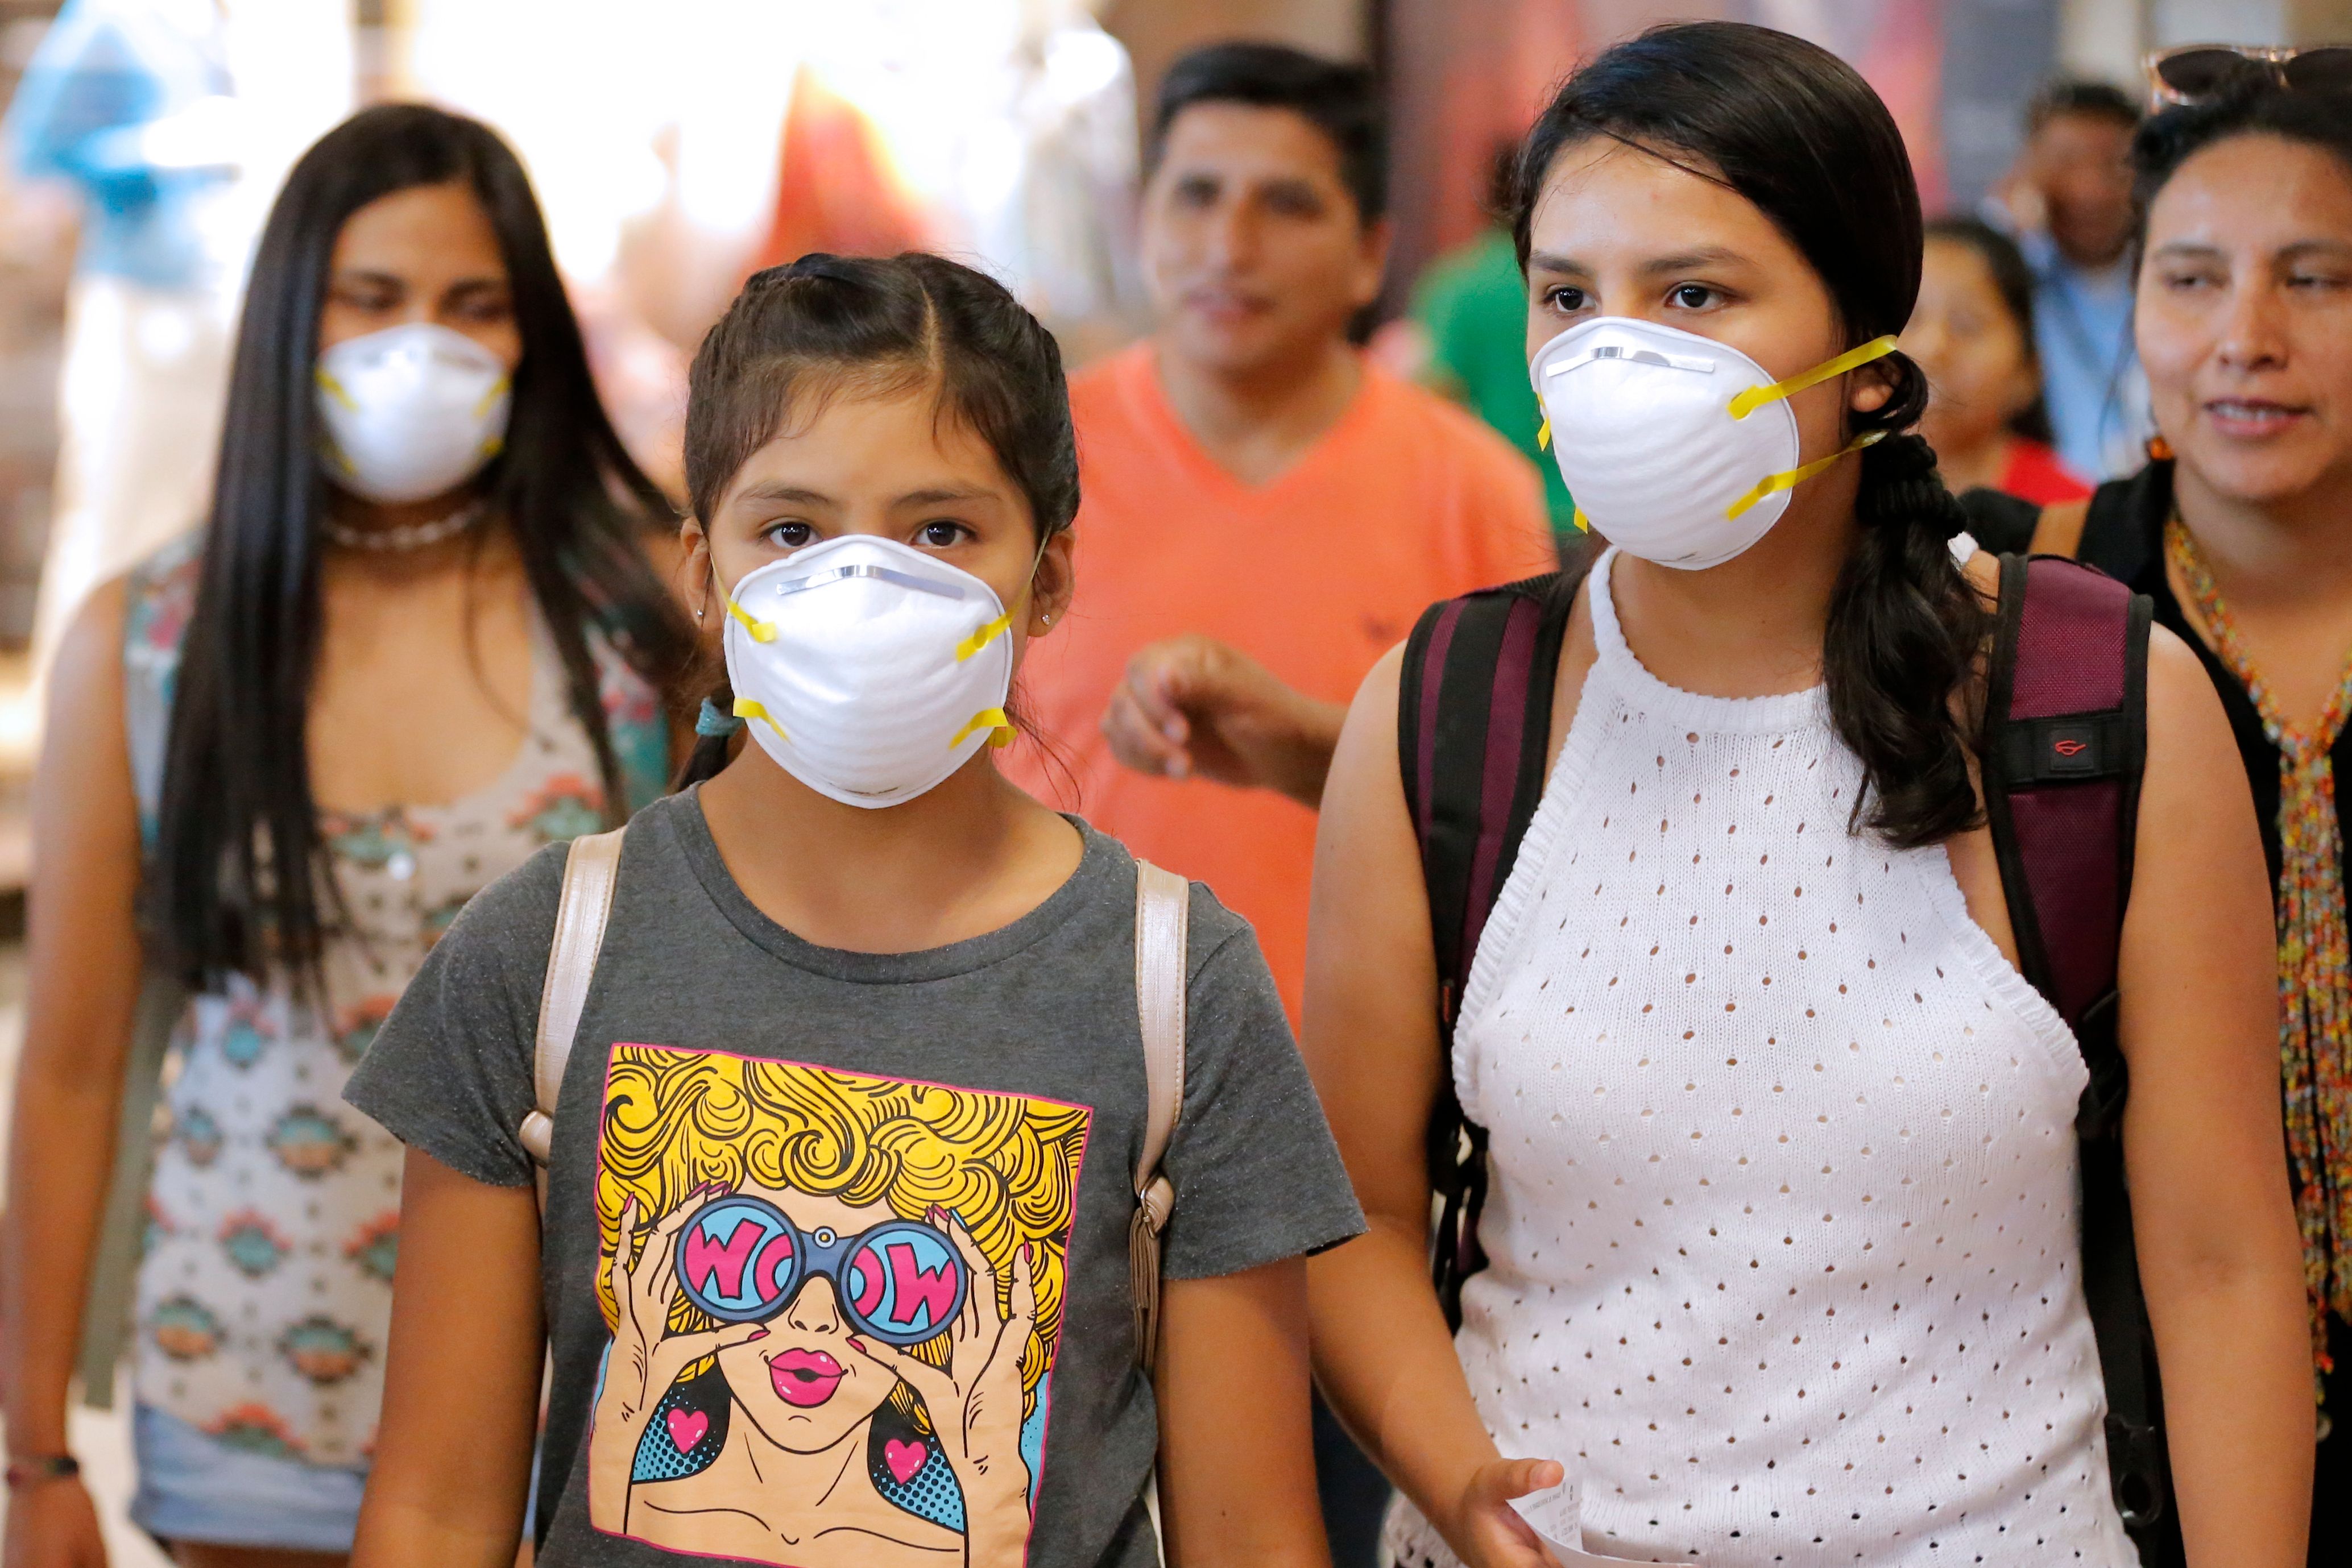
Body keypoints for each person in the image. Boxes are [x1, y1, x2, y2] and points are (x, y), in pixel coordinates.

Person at [1302, 22, 2312, 1568]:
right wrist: (1461, 1488)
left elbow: (2225, 1257)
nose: (1613, 354)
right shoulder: (1444, 709)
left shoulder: (2092, 696)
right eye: (1569, 295)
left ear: (1867, 356)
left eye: (1694, 295)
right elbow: (1361, 1212)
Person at [339, 252, 1364, 1568]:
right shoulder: (542, 953)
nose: (861, 588)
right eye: (792, 531)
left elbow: (1253, 1536)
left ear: (1047, 578)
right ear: (702, 570)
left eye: (940, 529)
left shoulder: (1175, 983)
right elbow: (432, 1510)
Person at [0, 103, 690, 1566]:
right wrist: (34, 1450)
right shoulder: (148, 644)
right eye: (370, 299)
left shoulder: (636, 625)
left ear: (531, 339)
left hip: (577, 1393)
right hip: (241, 1377)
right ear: (288, 323)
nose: (417, 345)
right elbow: (68, 1065)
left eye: (472, 303)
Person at [1004, 41, 1553, 1032]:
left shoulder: (1475, 489)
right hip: (1045, 1054)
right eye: (1197, 194)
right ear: (1145, 220)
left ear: (1370, 254)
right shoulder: (1017, 462)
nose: (1230, 243)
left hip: (1353, 1088)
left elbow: (1519, 829)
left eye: (1287, 204)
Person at [1991, 73, 2352, 1566]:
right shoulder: (2025, 612)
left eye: (2317, 278)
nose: (2244, 339)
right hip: (2119, 1412)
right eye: (2190, 278)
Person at [1407, 147, 1579, 539]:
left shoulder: (1458, 283)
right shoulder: (1581, 285)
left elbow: (1435, 401)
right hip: (1593, 510)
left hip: (1497, 512)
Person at [1994, 80, 2154, 480]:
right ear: (2028, 168)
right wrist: (2009, 234)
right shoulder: (2011, 279)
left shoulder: (2170, 276)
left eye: (2115, 164)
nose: (2091, 190)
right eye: (2065, 162)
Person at [1904, 217, 2090, 505]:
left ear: (2027, 371)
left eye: (1967, 325)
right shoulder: (1830, 495)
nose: (1931, 348)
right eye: (1910, 319)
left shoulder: (2068, 512)